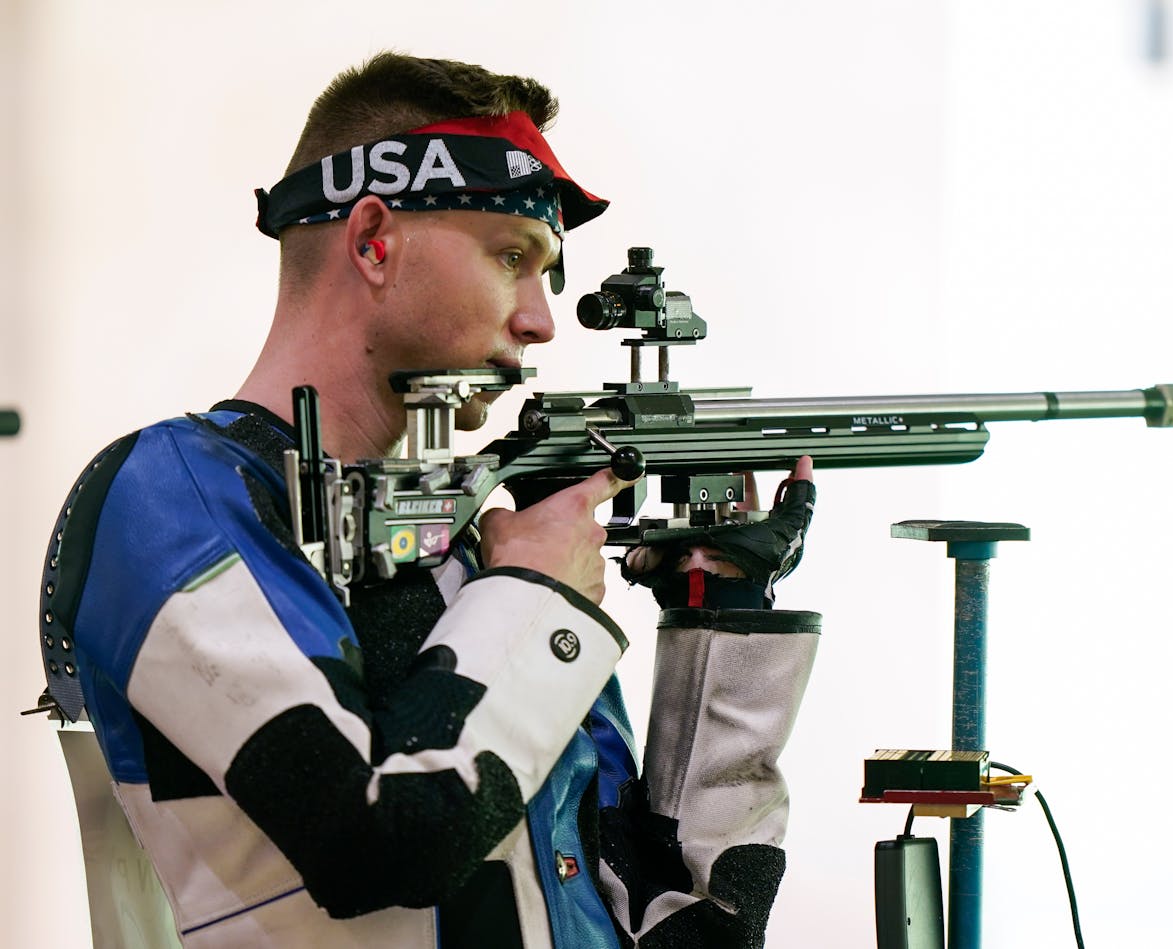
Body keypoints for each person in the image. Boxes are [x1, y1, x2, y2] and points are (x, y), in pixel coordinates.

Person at [38, 53, 818, 948]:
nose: (540, 319)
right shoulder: (170, 497)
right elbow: (376, 843)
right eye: (511, 256)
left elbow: (688, 928)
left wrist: (719, 612)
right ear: (373, 241)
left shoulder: (482, 555)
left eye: (547, 274)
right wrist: (536, 601)